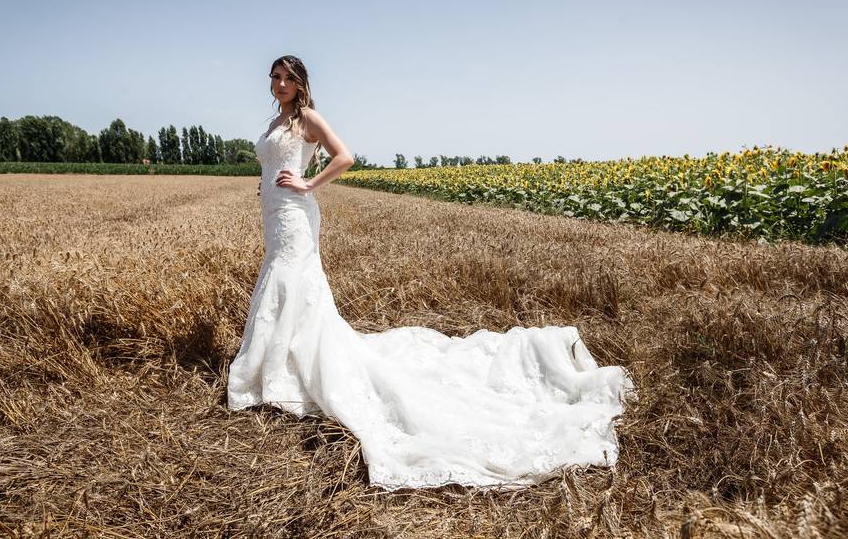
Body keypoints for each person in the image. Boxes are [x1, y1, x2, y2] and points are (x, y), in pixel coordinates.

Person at [227, 55, 637, 492]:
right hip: (274, 212)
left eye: (289, 78)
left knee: (293, 283)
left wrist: (308, 184)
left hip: (295, 213)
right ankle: (280, 364)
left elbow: (344, 156)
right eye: (275, 77)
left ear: (301, 83)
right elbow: (272, 164)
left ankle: (287, 368)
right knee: (282, 280)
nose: (281, 83)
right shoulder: (276, 121)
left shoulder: (307, 117)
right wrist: (266, 182)